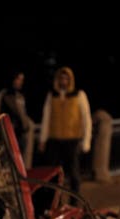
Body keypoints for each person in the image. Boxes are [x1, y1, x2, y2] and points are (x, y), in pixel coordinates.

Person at [38, 67, 92, 197]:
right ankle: (54, 201)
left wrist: (86, 141)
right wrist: (42, 139)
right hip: (54, 139)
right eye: (61, 78)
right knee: (53, 174)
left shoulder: (79, 95)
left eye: (66, 78)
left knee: (74, 174)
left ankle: (74, 201)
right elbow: (46, 118)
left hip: (72, 139)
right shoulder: (52, 95)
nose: (64, 81)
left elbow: (86, 119)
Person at [0, 71, 29, 153]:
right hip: (7, 133)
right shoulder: (2, 95)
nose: (20, 82)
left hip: (19, 133)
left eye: (22, 80)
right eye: (18, 79)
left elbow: (23, 116)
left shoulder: (19, 96)